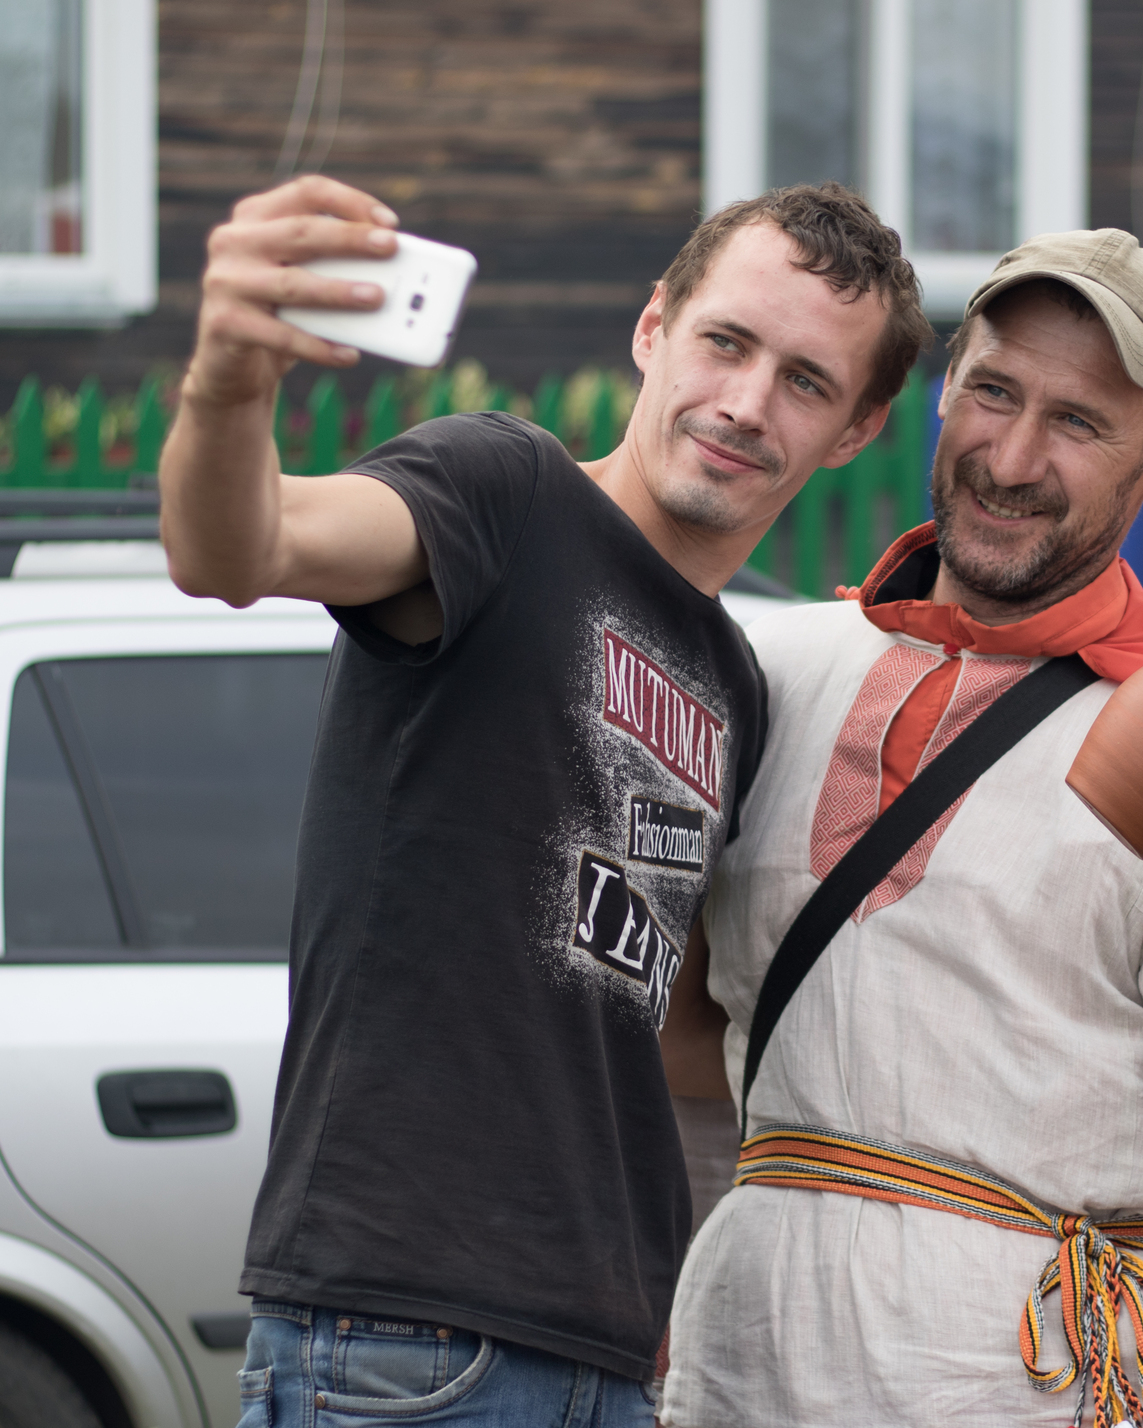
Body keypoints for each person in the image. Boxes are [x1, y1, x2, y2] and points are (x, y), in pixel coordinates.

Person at [158, 173, 932, 1428]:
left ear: (852, 431)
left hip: (611, 1357)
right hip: (404, 1336)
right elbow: (240, 548)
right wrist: (231, 379)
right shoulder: (502, 494)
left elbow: (669, 1038)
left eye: (805, 380)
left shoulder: (731, 677)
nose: (744, 403)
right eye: (724, 342)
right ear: (652, 329)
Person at [658, 230, 1143, 1427]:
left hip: (1056, 1385)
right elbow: (680, 1057)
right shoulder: (770, 669)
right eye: (993, 393)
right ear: (943, 393)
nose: (1010, 458)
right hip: (760, 1370)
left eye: (1078, 422)